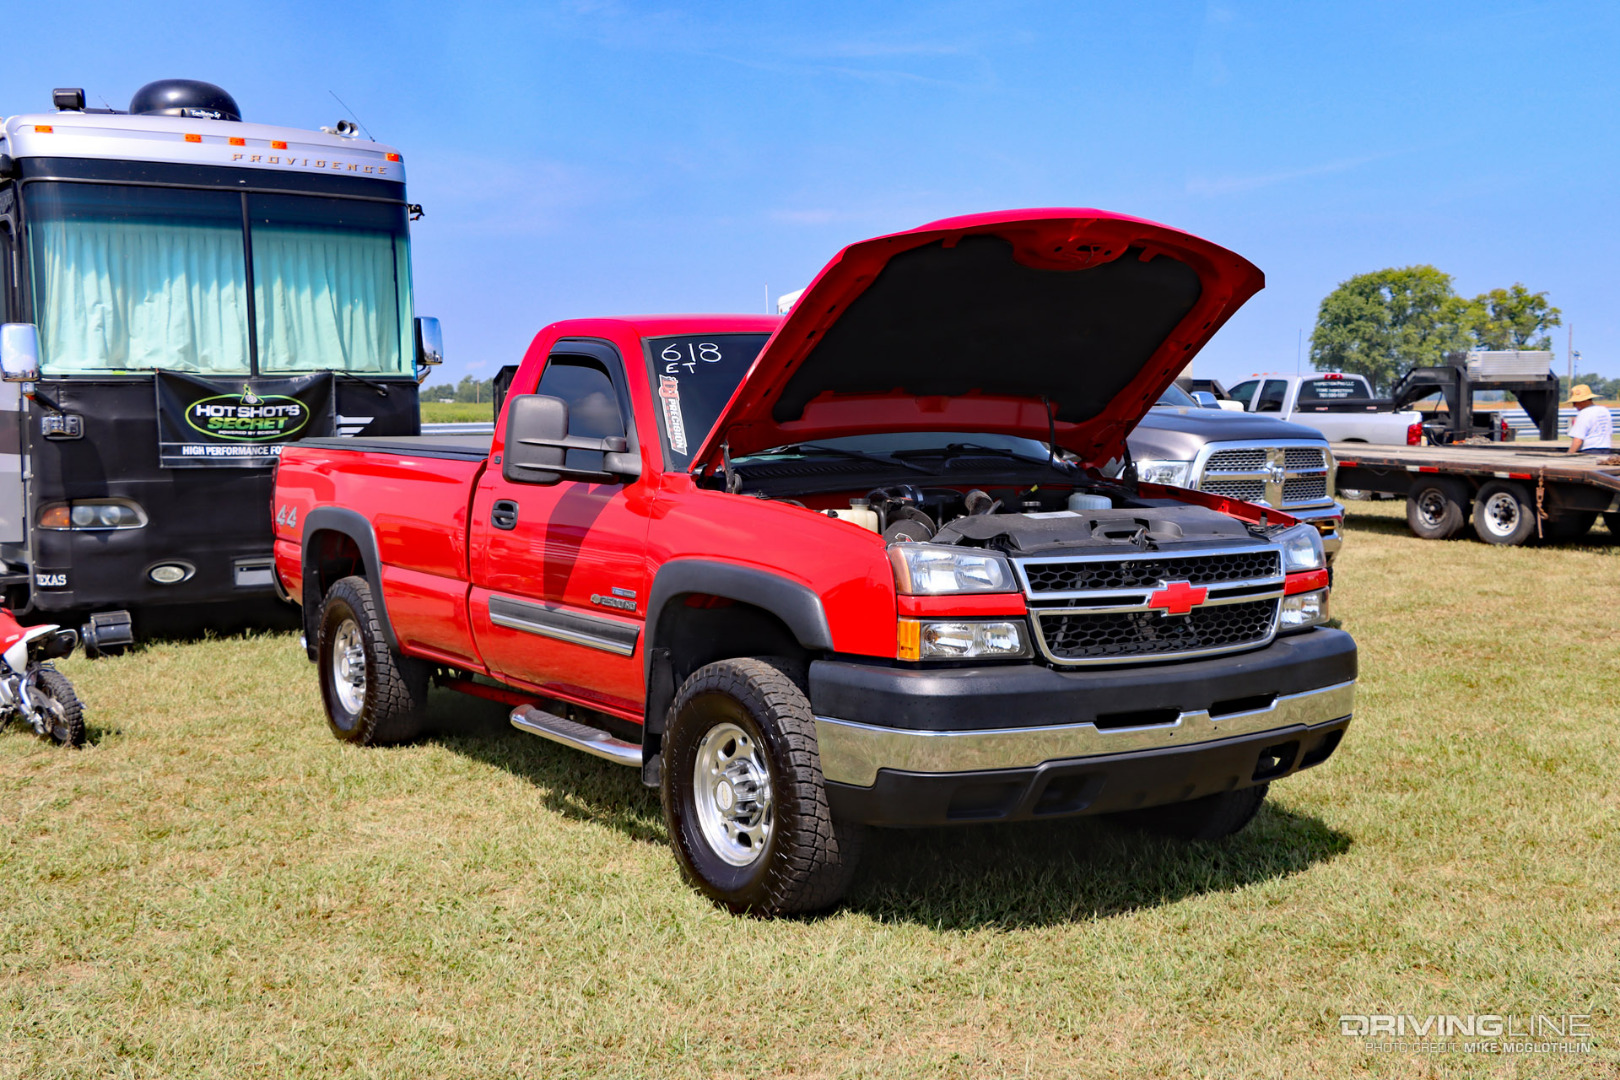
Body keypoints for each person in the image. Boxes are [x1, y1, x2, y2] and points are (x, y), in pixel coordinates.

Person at [1565, 384, 1612, 455]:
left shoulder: (1584, 413)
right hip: (1606, 449)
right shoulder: (1605, 410)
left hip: (1589, 451)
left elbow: (1578, 440)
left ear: (1583, 401)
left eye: (1575, 402)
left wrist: (1569, 454)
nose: (1574, 405)